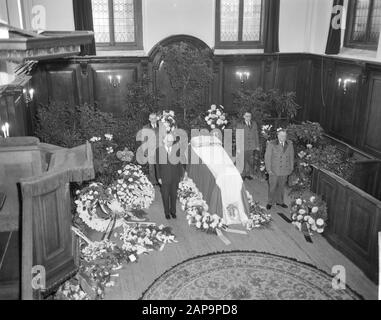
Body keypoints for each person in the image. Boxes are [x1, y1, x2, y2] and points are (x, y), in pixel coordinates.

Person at [155, 133, 185, 220]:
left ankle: (173, 212)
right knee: (165, 195)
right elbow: (157, 165)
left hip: (175, 177)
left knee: (173, 195)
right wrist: (159, 177)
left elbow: (179, 163)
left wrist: (181, 175)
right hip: (164, 177)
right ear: (164, 141)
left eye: (172, 141)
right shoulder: (159, 150)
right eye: (169, 141)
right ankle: (167, 212)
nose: (170, 143)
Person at [264, 128, 294, 210]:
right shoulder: (271, 144)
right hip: (274, 170)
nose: (283, 137)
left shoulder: (290, 144)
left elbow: (291, 156)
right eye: (281, 135)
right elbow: (267, 157)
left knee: (281, 187)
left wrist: (291, 168)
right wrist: (269, 169)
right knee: (272, 187)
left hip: (285, 170)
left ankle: (280, 201)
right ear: (277, 136)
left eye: (284, 136)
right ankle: (270, 202)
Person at [236, 111, 260, 180]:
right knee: (243, 160)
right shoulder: (240, 124)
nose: (248, 118)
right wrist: (238, 147)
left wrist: (257, 145)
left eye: (249, 116)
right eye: (246, 116)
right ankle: (243, 175)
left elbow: (256, 135)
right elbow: (238, 136)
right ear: (244, 116)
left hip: (252, 146)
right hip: (243, 146)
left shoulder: (254, 124)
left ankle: (249, 174)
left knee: (250, 161)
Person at [143, 113, 160, 185]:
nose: (153, 120)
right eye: (151, 118)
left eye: (154, 118)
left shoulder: (161, 126)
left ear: (156, 118)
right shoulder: (145, 127)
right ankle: (153, 182)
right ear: (149, 119)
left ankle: (160, 181)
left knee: (160, 167)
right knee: (151, 167)